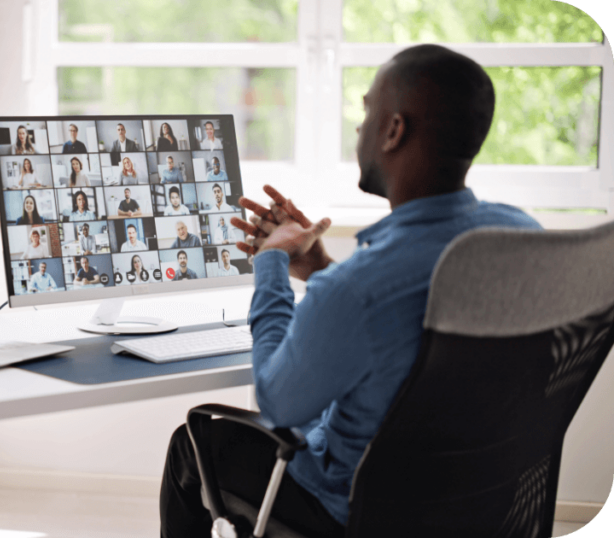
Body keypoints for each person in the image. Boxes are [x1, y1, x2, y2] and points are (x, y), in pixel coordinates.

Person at [159, 44, 542, 538]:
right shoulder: (519, 233)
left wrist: (271, 261)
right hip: (481, 502)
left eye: (366, 110)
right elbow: (404, 319)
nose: (359, 129)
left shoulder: (359, 287)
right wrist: (319, 266)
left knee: (192, 444)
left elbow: (277, 402)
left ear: (394, 129)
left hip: (358, 512)